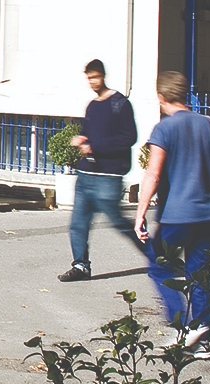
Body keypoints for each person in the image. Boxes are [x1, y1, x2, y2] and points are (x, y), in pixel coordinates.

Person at [134, 70, 210, 360]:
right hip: (207, 214)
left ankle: (182, 323)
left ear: (161, 96)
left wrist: (140, 213)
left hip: (176, 214)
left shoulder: (164, 128)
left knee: (156, 262)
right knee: (200, 273)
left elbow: (153, 173)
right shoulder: (208, 124)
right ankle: (201, 338)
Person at [58, 59, 140, 283]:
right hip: (86, 175)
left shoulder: (120, 103)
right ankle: (80, 266)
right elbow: (90, 133)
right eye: (89, 78)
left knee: (119, 223)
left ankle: (156, 255)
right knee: (78, 224)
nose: (92, 82)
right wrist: (83, 139)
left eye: (95, 77)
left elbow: (128, 138)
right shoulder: (92, 106)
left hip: (108, 176)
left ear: (103, 76)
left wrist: (95, 146)